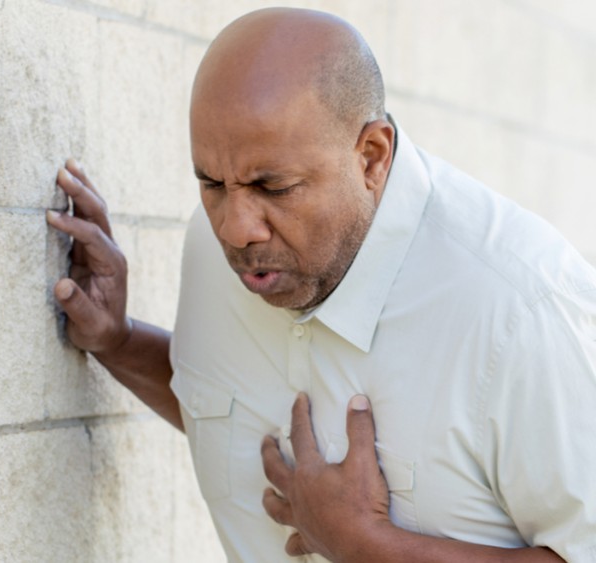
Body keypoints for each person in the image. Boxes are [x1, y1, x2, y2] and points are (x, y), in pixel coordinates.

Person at [46, 7, 596, 562]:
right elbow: (228, 401)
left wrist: (368, 547)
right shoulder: (218, 250)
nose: (236, 229)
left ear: (371, 157)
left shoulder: (525, 311)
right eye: (211, 183)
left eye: (274, 186)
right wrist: (117, 342)